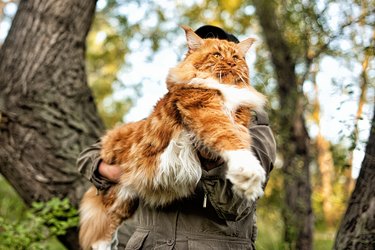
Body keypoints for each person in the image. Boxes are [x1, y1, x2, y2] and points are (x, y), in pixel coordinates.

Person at [77, 25, 277, 250]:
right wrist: (118, 172)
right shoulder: (167, 112)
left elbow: (237, 204)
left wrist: (213, 156)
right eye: (214, 52)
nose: (226, 61)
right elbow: (89, 155)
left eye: (233, 55)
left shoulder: (256, 123)